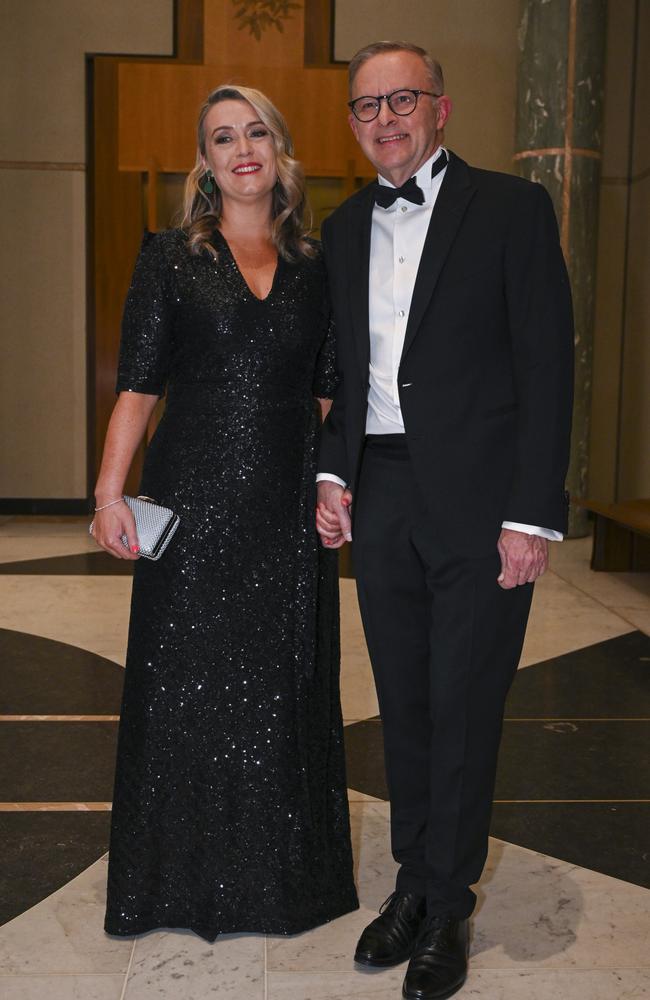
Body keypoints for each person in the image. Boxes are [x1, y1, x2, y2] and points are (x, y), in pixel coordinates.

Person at [316, 41, 573, 1000]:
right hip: (380, 491)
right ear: (352, 121)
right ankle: (413, 885)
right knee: (406, 702)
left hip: (479, 500)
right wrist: (331, 475)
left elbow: (548, 367)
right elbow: (340, 375)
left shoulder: (511, 209)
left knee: (466, 703)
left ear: (441, 107)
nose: (385, 119)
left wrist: (531, 516)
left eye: (402, 99)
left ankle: (448, 903)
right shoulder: (343, 228)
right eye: (366, 105)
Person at [91, 84, 358, 940]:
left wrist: (327, 483)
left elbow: (328, 392)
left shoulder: (319, 266)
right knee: (183, 689)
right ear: (203, 164)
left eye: (254, 133)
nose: (241, 149)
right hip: (191, 504)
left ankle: (279, 883)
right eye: (220, 138)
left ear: (280, 149)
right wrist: (107, 494)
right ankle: (171, 885)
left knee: (283, 688)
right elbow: (138, 385)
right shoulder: (170, 258)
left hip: (286, 511)